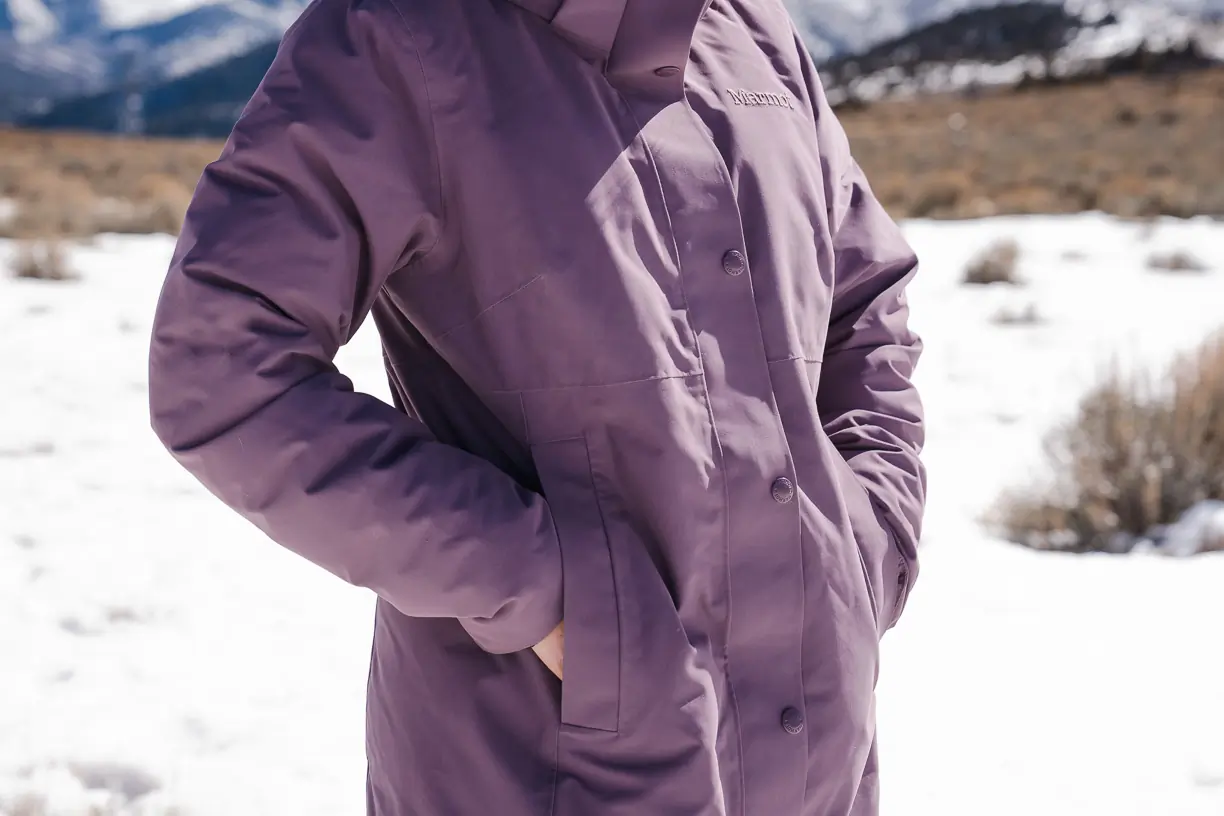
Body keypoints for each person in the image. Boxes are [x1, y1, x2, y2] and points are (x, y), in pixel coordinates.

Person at [147, 0, 926, 813]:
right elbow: (221, 367)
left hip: (819, 755)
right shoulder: (395, 35)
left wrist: (873, 526)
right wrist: (540, 584)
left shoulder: (756, 32)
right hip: (537, 761)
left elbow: (863, 301)